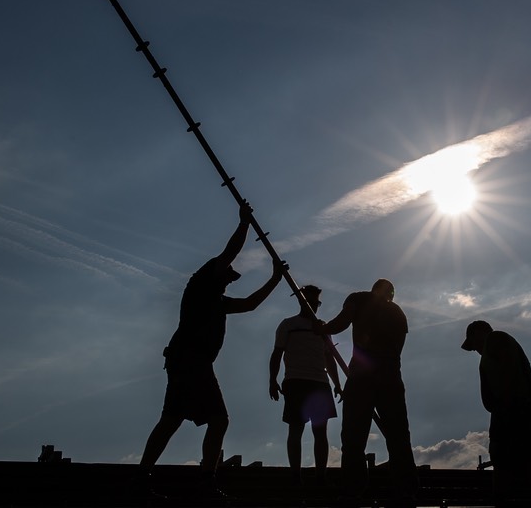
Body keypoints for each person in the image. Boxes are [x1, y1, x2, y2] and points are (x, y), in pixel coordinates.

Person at [137, 202, 285, 497]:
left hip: (189, 361)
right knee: (216, 419)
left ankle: (144, 477)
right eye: (228, 277)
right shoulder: (201, 285)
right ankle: (204, 479)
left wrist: (275, 279)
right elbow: (230, 252)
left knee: (172, 419)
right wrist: (244, 224)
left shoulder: (218, 302)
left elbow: (250, 304)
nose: (228, 282)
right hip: (191, 361)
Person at [313, 278, 418, 504]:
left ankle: (353, 490)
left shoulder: (358, 299)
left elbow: (341, 323)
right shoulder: (397, 312)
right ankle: (405, 489)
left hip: (363, 377)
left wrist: (322, 329)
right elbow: (398, 349)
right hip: (390, 375)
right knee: (398, 436)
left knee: (354, 435)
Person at [461, 320, 531, 504]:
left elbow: (508, 375)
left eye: (473, 342)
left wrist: (508, 407)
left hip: (513, 411)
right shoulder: (492, 348)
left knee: (513, 456)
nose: (475, 349)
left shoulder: (495, 339)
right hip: (510, 410)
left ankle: (521, 498)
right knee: (513, 457)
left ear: (479, 333)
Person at [269, 284, 342, 486]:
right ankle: (296, 476)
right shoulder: (288, 325)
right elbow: (277, 354)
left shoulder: (323, 328)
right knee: (296, 429)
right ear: (302, 302)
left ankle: (321, 477)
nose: (314, 305)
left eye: (316, 302)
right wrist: (272, 380)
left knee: (320, 432)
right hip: (296, 381)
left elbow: (330, 359)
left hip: (320, 382)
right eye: (310, 301)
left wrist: (337, 384)